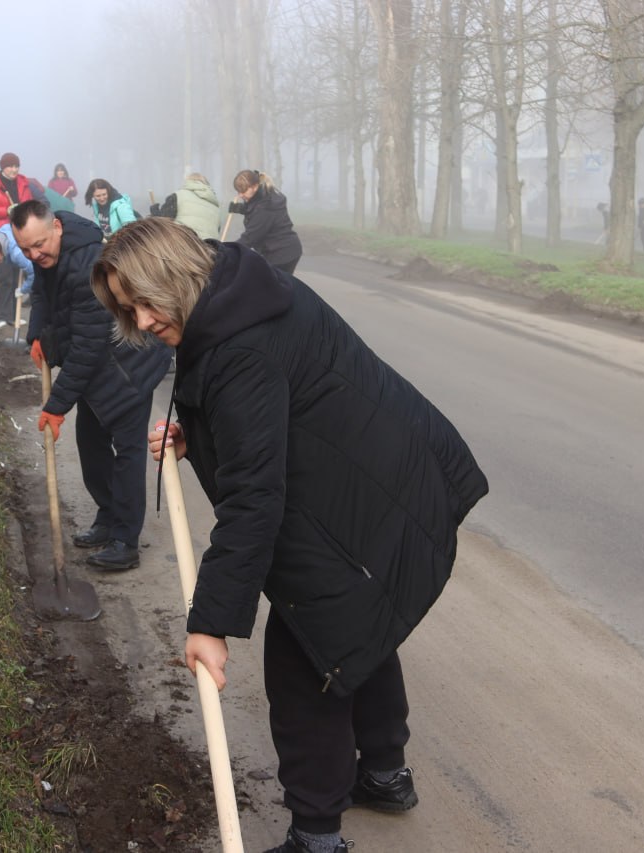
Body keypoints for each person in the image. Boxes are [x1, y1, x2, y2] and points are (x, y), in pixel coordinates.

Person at [92, 218, 488, 853]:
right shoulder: (234, 288)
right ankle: (385, 775)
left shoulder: (239, 346)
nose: (140, 321)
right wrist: (201, 437)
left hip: (367, 494)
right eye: (127, 309)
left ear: (175, 275)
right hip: (382, 476)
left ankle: (317, 836)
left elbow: (255, 497)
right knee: (360, 624)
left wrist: (210, 623)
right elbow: (272, 411)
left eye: (144, 301)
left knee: (311, 656)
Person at [10, 200, 172, 571]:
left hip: (129, 367)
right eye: (26, 249)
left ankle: (125, 540)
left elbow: (88, 346)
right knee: (91, 445)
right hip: (99, 369)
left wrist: (57, 404)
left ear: (57, 229)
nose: (35, 254)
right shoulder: (50, 255)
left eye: (40, 245)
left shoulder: (87, 267)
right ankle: (108, 514)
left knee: (128, 452)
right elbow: (41, 293)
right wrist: (36, 334)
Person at [0, 153, 41, 328]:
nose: (14, 170)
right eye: (10, 166)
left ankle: (14, 316)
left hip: (20, 236)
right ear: (2, 167)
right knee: (4, 278)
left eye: (16, 166)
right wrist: (6, 210)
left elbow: (29, 205)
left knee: (17, 278)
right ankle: (2, 316)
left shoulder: (22, 183)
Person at [229, 169, 303, 274]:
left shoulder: (265, 206)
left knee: (267, 285)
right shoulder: (261, 195)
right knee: (274, 286)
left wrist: (229, 251)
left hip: (282, 253)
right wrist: (241, 209)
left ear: (254, 187)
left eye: (243, 191)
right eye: (238, 191)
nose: (240, 195)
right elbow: (253, 208)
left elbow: (250, 237)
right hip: (281, 250)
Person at [150, 173, 221, 241]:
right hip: (209, 249)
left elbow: (163, 223)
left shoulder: (178, 196)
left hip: (184, 246)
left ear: (188, 182)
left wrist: (155, 211)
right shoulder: (216, 207)